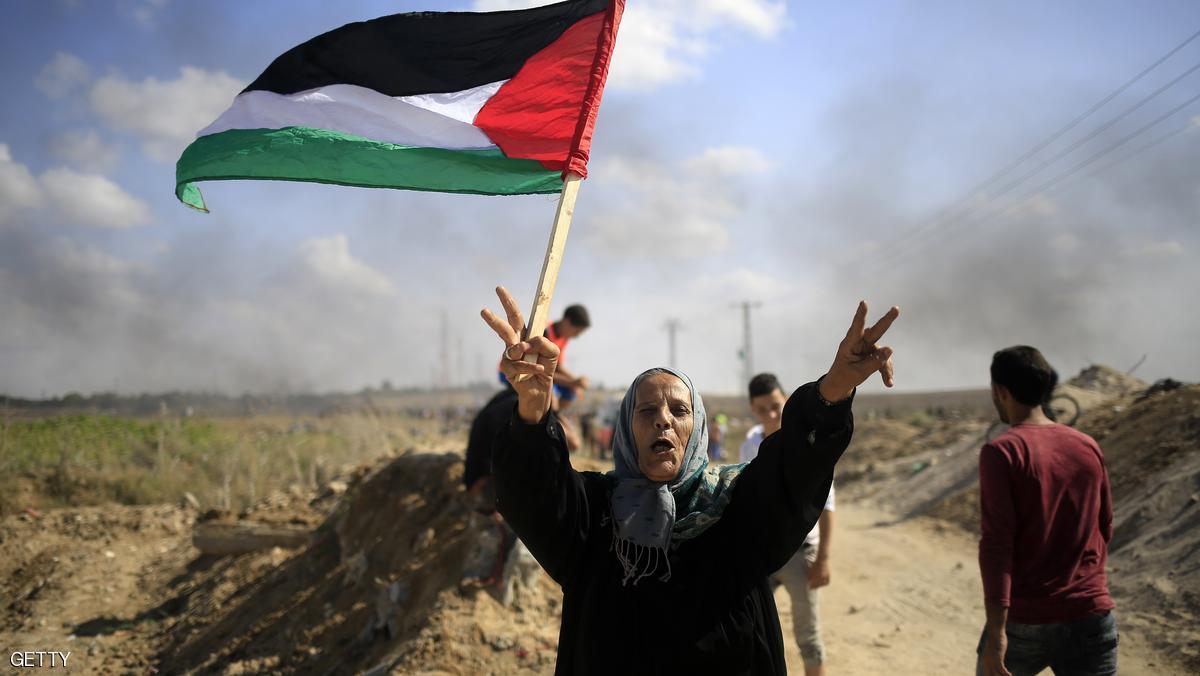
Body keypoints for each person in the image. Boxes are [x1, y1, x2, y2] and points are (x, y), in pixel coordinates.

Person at [480, 286, 898, 674]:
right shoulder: (592, 514)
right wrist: (533, 411)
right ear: (626, 431)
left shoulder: (737, 505)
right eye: (646, 411)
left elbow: (797, 464)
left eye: (679, 411)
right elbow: (531, 491)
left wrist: (836, 388)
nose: (663, 418)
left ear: (696, 430)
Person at [977, 346, 1117, 676]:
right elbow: (1105, 524)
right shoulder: (1086, 445)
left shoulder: (1002, 452)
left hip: (1025, 618)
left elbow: (997, 545)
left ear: (1000, 392)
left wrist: (996, 632)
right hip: (1090, 613)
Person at [740, 372, 834, 676]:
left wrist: (823, 559)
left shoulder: (808, 441)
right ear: (753, 409)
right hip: (763, 555)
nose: (770, 414)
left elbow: (827, 506)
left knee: (808, 637)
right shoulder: (751, 443)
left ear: (787, 401)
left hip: (800, 555)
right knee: (749, 626)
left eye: (776, 406)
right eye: (762, 409)